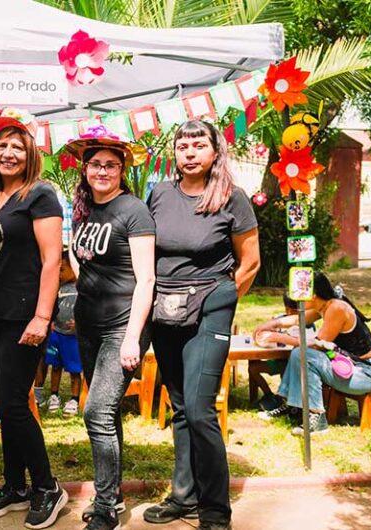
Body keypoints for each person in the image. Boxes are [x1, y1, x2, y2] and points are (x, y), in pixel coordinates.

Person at [144, 120, 260, 530]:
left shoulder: (232, 198)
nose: (189, 152)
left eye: (198, 145)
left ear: (215, 152)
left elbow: (250, 262)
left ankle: (215, 510)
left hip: (209, 310)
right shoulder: (159, 193)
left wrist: (223, 301)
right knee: (180, 407)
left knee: (199, 409)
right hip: (166, 311)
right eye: (182, 145)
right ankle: (183, 496)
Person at [0, 107, 67, 530]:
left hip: (25, 315)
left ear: (30, 153)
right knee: (5, 399)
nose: (8, 153)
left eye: (17, 146)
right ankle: (15, 485)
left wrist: (42, 316)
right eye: (2, 145)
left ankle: (47, 487)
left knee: (13, 401)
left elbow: (52, 261)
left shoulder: (40, 195)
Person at [65, 125, 156, 530]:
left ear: (122, 170)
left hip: (123, 325)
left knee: (95, 411)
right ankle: (114, 492)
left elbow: (147, 279)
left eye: (112, 165)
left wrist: (133, 337)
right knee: (107, 413)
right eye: (96, 164)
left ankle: (105, 508)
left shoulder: (133, 210)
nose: (103, 171)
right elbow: (79, 258)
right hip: (88, 323)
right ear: (85, 169)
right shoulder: (84, 210)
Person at [255, 272, 371, 435]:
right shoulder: (324, 306)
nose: (298, 299)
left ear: (314, 294)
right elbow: (297, 320)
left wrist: (277, 336)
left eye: (301, 293)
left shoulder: (336, 308)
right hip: (350, 368)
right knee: (300, 353)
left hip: (366, 374)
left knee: (304, 355)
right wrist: (269, 325)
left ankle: (317, 419)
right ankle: (291, 406)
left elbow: (318, 345)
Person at [34, 251, 82, 416]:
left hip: (73, 337)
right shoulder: (58, 288)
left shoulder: (81, 287)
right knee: (55, 365)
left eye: (62, 270)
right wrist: (52, 321)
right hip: (57, 334)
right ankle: (54, 396)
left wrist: (80, 323)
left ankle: (74, 399)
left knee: (75, 370)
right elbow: (52, 306)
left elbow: (86, 309)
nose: (59, 274)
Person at [248, 292, 314, 411]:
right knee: (253, 368)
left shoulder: (307, 323)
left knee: (287, 368)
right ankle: (269, 395)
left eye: (294, 311)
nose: (290, 313)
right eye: (288, 310)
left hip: (294, 362)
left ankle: (286, 401)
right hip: (278, 360)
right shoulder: (279, 319)